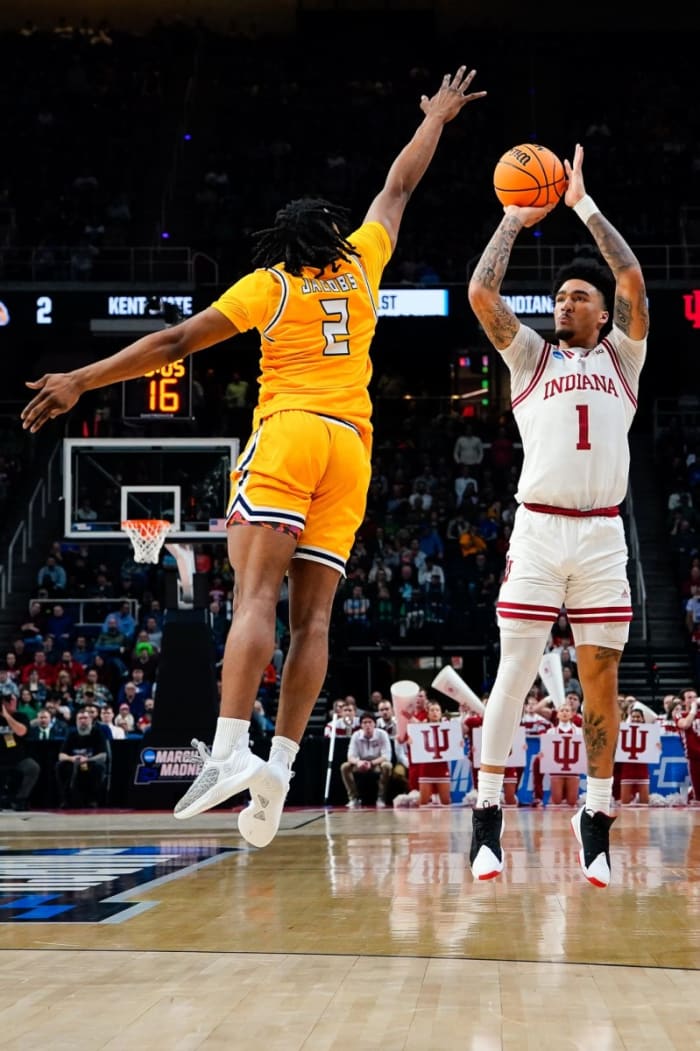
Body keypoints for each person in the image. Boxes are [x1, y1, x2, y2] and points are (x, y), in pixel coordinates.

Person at [21, 66, 486, 848]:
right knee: (314, 621)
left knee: (252, 599)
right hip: (354, 448)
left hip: (293, 429)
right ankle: (281, 762)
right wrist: (435, 119)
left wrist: (82, 379)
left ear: (284, 243)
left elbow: (173, 342)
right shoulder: (363, 263)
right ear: (333, 237)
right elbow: (397, 188)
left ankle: (231, 748)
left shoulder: (269, 286)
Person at [466, 142, 648, 888]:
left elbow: (633, 273)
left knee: (600, 678)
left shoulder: (623, 358)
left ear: (604, 313)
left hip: (604, 532)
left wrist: (581, 204)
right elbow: (483, 294)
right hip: (539, 528)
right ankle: (486, 810)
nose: (563, 302)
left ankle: (596, 817)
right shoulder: (531, 358)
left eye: (579, 296)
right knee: (515, 667)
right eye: (560, 297)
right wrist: (512, 221)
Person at [341, 712, 393, 808]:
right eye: (364, 723)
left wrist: (372, 763)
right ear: (361, 725)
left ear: (375, 724)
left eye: (370, 722)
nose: (367, 725)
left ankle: (381, 798)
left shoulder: (382, 734)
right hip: (361, 764)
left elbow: (386, 756)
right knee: (345, 766)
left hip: (377, 763)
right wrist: (359, 762)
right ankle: (354, 798)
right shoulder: (356, 735)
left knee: (387, 765)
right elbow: (350, 756)